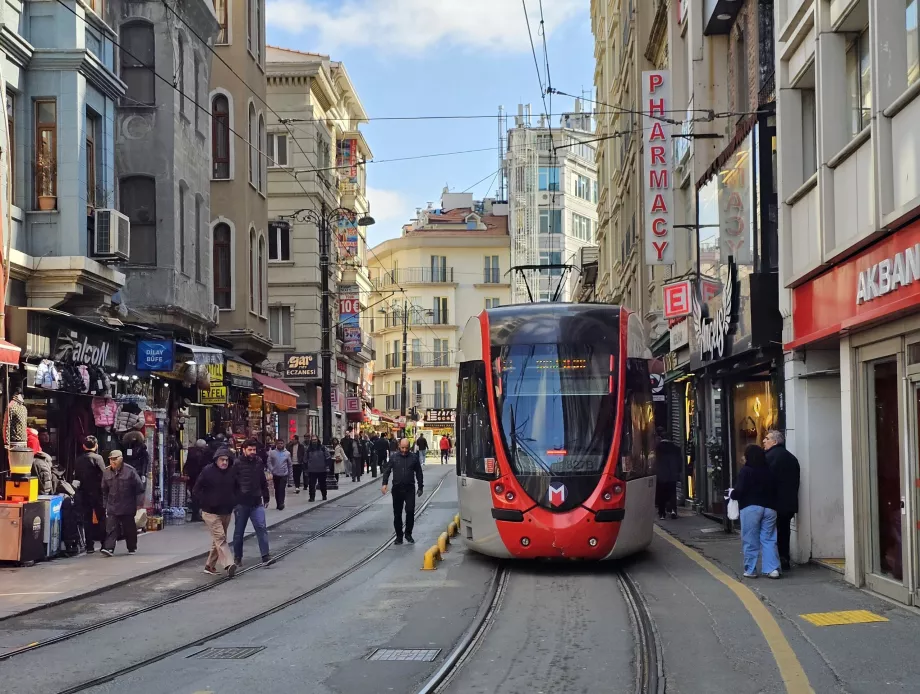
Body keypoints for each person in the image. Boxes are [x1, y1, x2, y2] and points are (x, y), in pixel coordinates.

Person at [730, 444, 781, 579]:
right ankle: (772, 569)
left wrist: (732, 494)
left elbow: (740, 490)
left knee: (750, 539)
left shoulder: (746, 470)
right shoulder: (770, 471)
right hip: (770, 508)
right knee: (769, 539)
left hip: (751, 507)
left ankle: (750, 569)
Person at [193, 448, 238, 577]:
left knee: (218, 540)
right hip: (210, 512)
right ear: (216, 460)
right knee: (220, 538)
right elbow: (196, 489)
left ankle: (209, 566)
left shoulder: (232, 471)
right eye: (222, 460)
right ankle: (229, 564)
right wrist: (205, 501)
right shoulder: (207, 471)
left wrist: (234, 500)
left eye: (226, 460)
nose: (224, 462)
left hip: (226, 511)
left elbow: (237, 487)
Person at [764, 430, 800, 572]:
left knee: (770, 533)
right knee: (784, 530)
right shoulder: (792, 458)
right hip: (789, 502)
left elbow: (767, 481)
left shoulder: (767, 458)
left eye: (767, 439)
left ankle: (774, 562)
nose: (764, 441)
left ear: (775, 442)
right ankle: (784, 558)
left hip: (773, 503)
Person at [232, 439, 271, 565]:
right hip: (241, 503)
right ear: (243, 450)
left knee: (261, 527)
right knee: (239, 532)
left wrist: (266, 496)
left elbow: (262, 480)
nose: (253, 452)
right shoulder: (237, 464)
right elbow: (232, 484)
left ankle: (265, 556)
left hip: (256, 501)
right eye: (250, 450)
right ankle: (238, 557)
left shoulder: (258, 462)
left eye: (254, 450)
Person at [100, 450, 144, 557]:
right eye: (111, 459)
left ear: (121, 459)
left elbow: (139, 488)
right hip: (112, 505)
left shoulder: (130, 471)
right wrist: (105, 505)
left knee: (129, 528)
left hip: (127, 505)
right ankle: (109, 548)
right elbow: (104, 490)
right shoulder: (106, 472)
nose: (112, 462)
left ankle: (131, 547)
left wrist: (139, 504)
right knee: (111, 528)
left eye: (115, 459)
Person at [382, 438, 424, 545]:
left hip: (409, 489)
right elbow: (387, 471)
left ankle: (408, 534)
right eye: (402, 448)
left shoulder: (414, 458)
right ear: (399, 447)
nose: (404, 450)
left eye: (406, 448)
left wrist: (420, 487)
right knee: (397, 514)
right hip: (397, 489)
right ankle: (399, 536)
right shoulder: (394, 457)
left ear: (409, 447)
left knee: (410, 511)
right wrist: (384, 484)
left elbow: (419, 472)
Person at [74, 435, 106, 553]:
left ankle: (89, 546)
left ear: (83, 446)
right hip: (97, 492)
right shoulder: (98, 458)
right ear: (96, 445)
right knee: (101, 518)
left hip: (84, 492)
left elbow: (76, 478)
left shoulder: (78, 460)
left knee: (87, 519)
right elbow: (104, 475)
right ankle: (104, 544)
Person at [654, 427, 683, 520]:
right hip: (672, 475)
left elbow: (653, 462)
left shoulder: (657, 449)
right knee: (672, 493)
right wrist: (678, 471)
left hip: (661, 475)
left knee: (661, 494)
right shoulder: (676, 449)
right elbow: (679, 462)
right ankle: (673, 510)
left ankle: (662, 513)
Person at [184, 440, 211, 522]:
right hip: (197, 477)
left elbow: (187, 465)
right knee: (197, 496)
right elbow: (201, 466)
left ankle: (195, 514)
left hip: (192, 477)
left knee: (194, 495)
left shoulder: (191, 452)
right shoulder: (200, 455)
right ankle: (196, 514)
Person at [267, 439, 292, 510]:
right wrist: (272, 469)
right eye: (279, 443)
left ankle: (281, 503)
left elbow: (289, 465)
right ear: (276, 444)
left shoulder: (287, 453)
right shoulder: (272, 453)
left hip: (284, 474)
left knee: (282, 489)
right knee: (277, 489)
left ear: (283, 444)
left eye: (281, 443)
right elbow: (269, 462)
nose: (280, 445)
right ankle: (278, 503)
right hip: (275, 474)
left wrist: (290, 476)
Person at [305, 435, 330, 501]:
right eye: (313, 440)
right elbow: (305, 459)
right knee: (311, 485)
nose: (314, 441)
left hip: (322, 470)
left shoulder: (323, 448)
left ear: (317, 440)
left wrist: (327, 466)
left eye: (315, 439)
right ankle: (312, 497)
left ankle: (324, 495)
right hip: (312, 470)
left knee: (322, 484)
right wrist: (306, 469)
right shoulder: (309, 449)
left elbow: (328, 457)